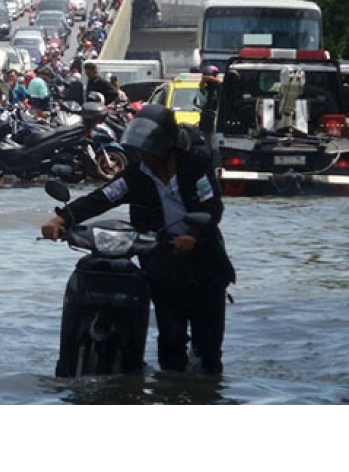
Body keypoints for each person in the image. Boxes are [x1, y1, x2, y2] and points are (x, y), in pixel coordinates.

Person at [41, 104, 236, 374]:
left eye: (150, 151)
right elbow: (103, 197)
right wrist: (63, 219)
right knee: (170, 338)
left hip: (205, 264)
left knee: (209, 347)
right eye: (141, 151)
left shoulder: (196, 166)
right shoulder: (136, 175)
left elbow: (212, 207)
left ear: (166, 147)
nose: (145, 156)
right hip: (162, 260)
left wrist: (192, 236)